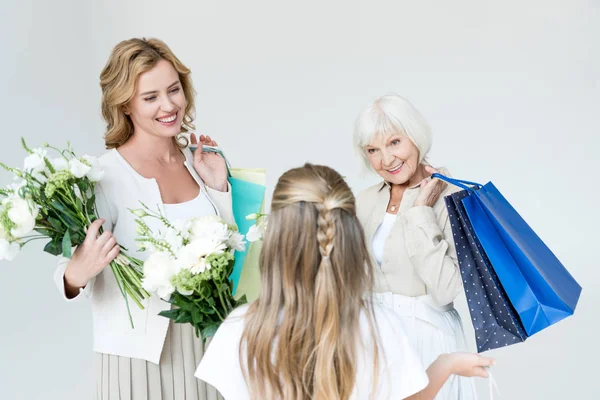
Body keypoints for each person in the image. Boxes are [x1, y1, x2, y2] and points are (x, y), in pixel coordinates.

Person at [195, 164, 493, 400]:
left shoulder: (240, 328)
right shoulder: (378, 326)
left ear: (277, 236)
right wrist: (446, 365)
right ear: (352, 236)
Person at [53, 37, 231, 400]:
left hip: (208, 344)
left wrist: (220, 189)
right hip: (138, 359)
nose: (169, 106)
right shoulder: (104, 176)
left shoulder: (202, 162)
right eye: (151, 98)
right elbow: (68, 274)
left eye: (174, 90)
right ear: (126, 105)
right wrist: (76, 274)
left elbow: (235, 256)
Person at [353, 93, 475, 399]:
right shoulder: (364, 200)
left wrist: (421, 212)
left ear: (416, 137)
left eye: (395, 142)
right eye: (373, 149)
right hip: (370, 342)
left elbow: (446, 290)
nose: (386, 159)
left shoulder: (456, 199)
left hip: (428, 342)